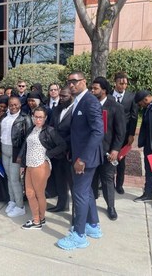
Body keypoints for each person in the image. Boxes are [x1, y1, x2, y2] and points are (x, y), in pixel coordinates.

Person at [57, 71, 104, 250]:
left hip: (85, 158)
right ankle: (92, 225)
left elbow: (98, 132)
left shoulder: (89, 101)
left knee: (80, 194)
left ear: (84, 82)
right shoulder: (79, 101)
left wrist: (82, 158)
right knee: (87, 192)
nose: (71, 85)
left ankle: (79, 235)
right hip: (80, 155)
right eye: (69, 82)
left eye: (74, 81)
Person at [18, 107, 67, 229]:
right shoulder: (31, 129)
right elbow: (26, 148)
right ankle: (39, 219)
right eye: (36, 116)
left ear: (45, 118)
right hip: (29, 165)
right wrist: (23, 165)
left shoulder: (50, 131)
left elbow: (62, 145)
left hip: (40, 165)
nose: (38, 119)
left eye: (41, 117)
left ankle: (37, 221)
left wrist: (48, 154)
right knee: (29, 193)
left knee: (39, 193)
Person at [91, 77, 126, 220]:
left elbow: (120, 132)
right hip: (92, 151)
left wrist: (115, 150)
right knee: (92, 178)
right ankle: (91, 202)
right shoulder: (90, 104)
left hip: (108, 151)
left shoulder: (115, 107)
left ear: (104, 90)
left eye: (95, 89)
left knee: (107, 179)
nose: (92, 91)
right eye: (91, 88)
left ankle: (110, 206)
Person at [0, 96, 32, 218]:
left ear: (20, 105)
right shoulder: (4, 117)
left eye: (15, 104)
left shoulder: (25, 118)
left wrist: (21, 155)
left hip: (16, 151)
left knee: (15, 179)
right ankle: (12, 201)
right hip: (4, 149)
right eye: (11, 104)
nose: (13, 107)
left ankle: (20, 206)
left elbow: (28, 139)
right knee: (9, 177)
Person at [47, 86, 74, 212]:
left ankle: (77, 212)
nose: (61, 98)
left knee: (72, 182)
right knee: (59, 179)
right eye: (61, 96)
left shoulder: (75, 110)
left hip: (69, 151)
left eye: (65, 96)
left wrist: (63, 144)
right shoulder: (57, 109)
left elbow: (75, 132)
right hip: (57, 152)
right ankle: (62, 204)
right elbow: (51, 127)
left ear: (71, 96)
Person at [111, 72, 138, 194]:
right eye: (121, 83)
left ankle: (119, 184)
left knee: (121, 160)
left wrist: (131, 134)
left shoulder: (131, 97)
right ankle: (108, 183)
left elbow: (134, 117)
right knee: (109, 159)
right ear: (115, 83)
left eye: (125, 84)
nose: (123, 86)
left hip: (124, 134)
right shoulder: (108, 96)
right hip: (109, 134)